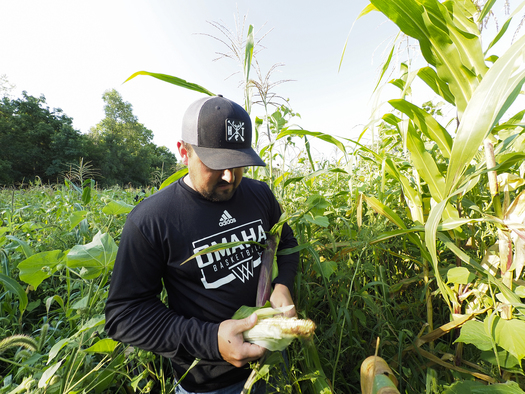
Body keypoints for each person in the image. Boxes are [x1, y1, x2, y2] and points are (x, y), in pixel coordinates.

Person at [105, 94, 299, 393]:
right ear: (184, 152)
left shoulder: (260, 195)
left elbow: (285, 242)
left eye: (238, 164)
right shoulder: (152, 219)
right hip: (209, 383)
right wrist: (211, 340)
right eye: (216, 163)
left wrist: (282, 284)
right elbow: (125, 314)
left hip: (272, 362)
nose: (229, 176)